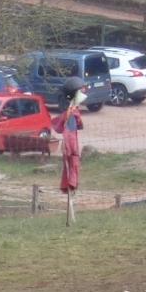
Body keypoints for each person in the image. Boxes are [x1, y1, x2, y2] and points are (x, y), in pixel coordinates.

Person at [51, 88, 85, 224]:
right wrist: (70, 150)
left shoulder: (72, 114)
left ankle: (71, 218)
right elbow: (69, 136)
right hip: (71, 151)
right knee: (71, 172)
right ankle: (70, 218)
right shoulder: (70, 115)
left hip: (72, 151)